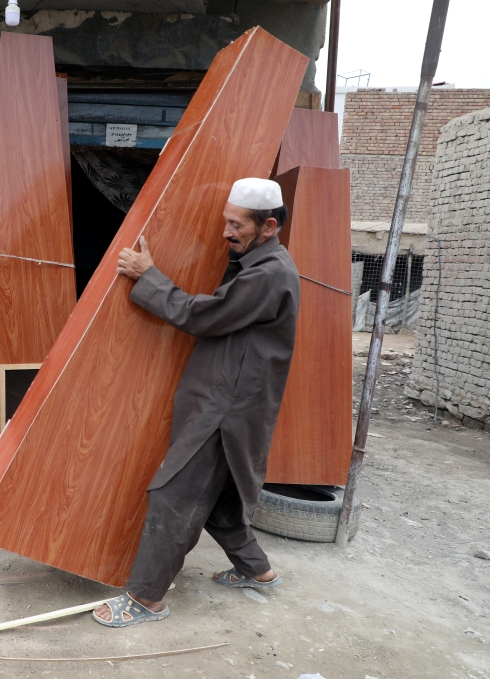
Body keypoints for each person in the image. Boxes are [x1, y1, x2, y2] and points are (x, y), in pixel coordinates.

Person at [93, 177, 301, 627]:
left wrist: (148, 276)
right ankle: (257, 571)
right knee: (221, 500)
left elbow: (200, 316)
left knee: (175, 494)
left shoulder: (268, 275)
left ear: (268, 226)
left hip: (226, 409)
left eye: (235, 225)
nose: (225, 233)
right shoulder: (261, 263)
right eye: (225, 222)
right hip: (235, 400)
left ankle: (145, 599)